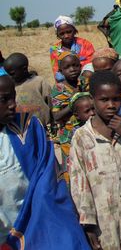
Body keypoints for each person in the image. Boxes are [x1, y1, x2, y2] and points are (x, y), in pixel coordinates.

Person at [0, 76, 90, 249]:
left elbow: (47, 172)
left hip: (38, 219)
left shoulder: (28, 126)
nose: (12, 104)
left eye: (12, 97)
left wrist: (39, 209)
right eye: (4, 100)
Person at [69, 71, 121, 249]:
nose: (111, 105)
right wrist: (88, 225)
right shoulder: (82, 137)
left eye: (116, 99)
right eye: (104, 100)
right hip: (103, 221)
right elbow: (80, 183)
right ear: (92, 100)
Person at [51, 53, 86, 182]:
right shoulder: (58, 89)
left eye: (76, 65)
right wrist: (73, 100)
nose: (72, 69)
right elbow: (56, 116)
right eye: (68, 67)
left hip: (87, 130)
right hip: (68, 135)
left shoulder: (84, 83)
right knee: (72, 169)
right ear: (61, 71)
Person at [4, 52, 51, 127]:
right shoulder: (11, 88)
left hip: (43, 127)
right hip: (21, 129)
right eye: (8, 74)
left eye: (12, 74)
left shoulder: (39, 82)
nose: (10, 77)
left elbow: (50, 102)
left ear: (24, 69)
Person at [50, 15, 95, 82]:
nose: (66, 36)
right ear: (58, 35)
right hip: (65, 82)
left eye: (69, 32)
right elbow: (56, 71)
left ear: (74, 31)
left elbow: (90, 65)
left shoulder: (85, 44)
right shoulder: (54, 49)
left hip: (85, 79)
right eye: (62, 34)